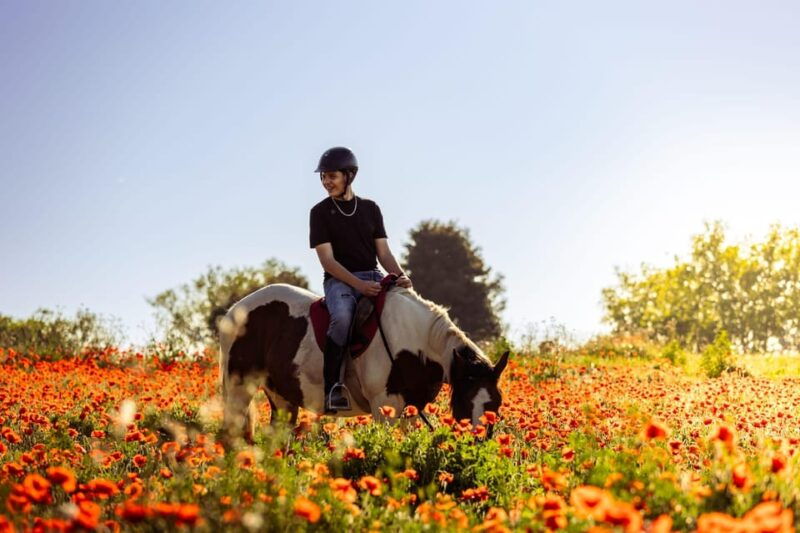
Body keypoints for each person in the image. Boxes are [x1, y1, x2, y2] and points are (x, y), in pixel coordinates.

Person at [309, 146, 413, 413]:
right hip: (339, 282)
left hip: (373, 276)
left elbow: (384, 253)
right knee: (342, 317)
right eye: (323, 177)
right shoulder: (319, 213)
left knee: (405, 309)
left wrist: (402, 277)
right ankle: (333, 387)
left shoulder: (370, 209)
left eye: (331, 176)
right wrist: (359, 286)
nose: (326, 182)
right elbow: (327, 262)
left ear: (349, 175)